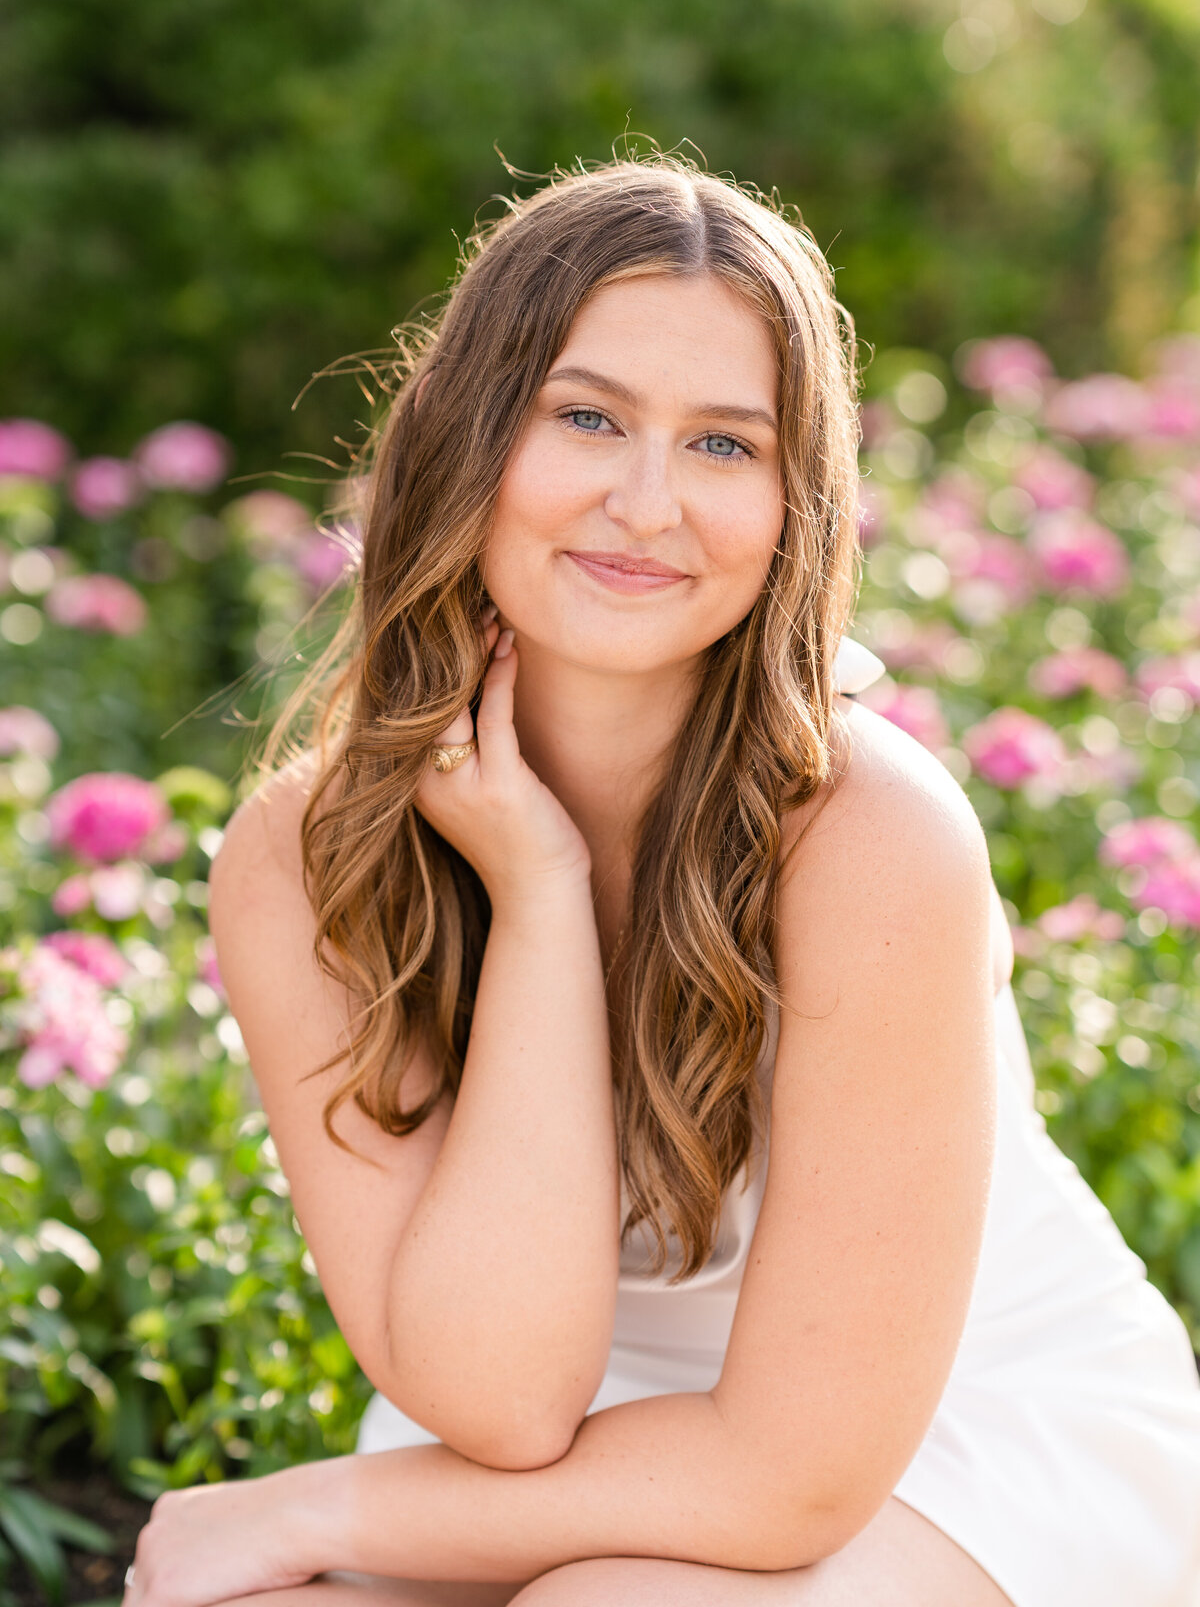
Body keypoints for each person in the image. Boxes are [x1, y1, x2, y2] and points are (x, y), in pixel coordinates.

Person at [122, 159, 1200, 1607]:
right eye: (586, 418)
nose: (647, 503)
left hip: (954, 1443)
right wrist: (544, 903)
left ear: (793, 503)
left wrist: (312, 1504)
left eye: (723, 446)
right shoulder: (300, 860)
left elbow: (791, 1476)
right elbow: (502, 1402)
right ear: (464, 438)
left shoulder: (868, 837)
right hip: (548, 1445)